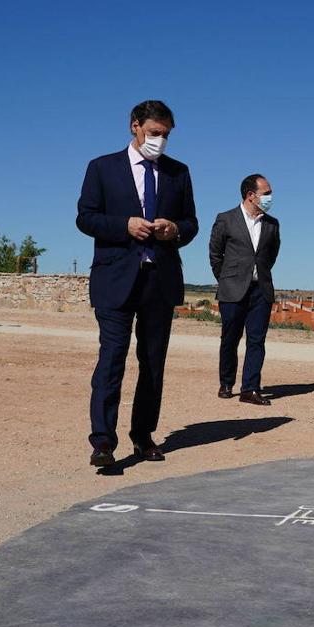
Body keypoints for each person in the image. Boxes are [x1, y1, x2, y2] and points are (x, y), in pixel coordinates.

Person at [75, 100, 198, 467]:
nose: (159, 140)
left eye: (165, 135)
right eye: (153, 132)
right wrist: (124, 225)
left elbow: (191, 222)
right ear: (134, 126)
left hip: (158, 281)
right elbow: (86, 217)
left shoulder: (179, 172)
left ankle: (143, 436)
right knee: (111, 360)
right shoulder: (102, 168)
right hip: (115, 279)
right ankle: (102, 442)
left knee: (152, 363)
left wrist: (174, 229)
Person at [209, 174, 281, 405]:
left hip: (261, 291)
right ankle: (227, 382)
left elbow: (271, 256)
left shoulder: (272, 224)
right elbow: (215, 254)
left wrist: (259, 276)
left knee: (256, 340)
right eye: (266, 193)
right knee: (230, 338)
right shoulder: (225, 219)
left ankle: (250, 388)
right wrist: (227, 279)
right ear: (251, 195)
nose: (270, 197)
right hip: (232, 289)